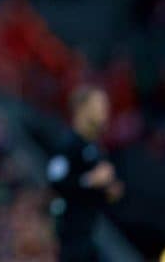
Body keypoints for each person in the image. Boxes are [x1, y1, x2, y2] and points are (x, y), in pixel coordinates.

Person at [46, 85, 124, 262]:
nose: (105, 111)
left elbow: (94, 191)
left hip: (90, 232)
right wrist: (90, 180)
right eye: (99, 105)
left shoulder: (95, 148)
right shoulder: (68, 145)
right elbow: (55, 181)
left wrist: (108, 191)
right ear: (82, 109)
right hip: (71, 235)